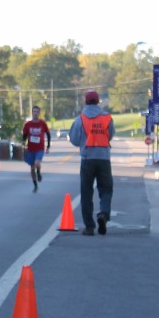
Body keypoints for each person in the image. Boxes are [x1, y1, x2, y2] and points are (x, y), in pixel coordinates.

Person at [69, 90, 114, 236]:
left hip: (87, 159)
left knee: (86, 193)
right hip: (104, 158)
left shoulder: (80, 119)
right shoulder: (107, 117)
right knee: (106, 189)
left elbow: (74, 140)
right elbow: (111, 134)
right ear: (98, 101)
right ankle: (104, 214)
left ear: (86, 101)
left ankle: (89, 227)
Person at [22, 105, 51, 192]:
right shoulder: (28, 124)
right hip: (30, 149)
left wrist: (48, 146)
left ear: (39, 113)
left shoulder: (42, 123)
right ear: (32, 113)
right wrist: (23, 143)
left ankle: (38, 172)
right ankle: (35, 185)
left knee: (37, 163)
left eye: (37, 112)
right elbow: (24, 135)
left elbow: (48, 134)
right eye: (34, 111)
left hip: (40, 148)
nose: (35, 113)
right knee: (31, 168)